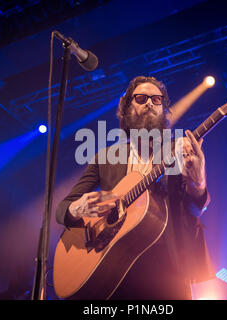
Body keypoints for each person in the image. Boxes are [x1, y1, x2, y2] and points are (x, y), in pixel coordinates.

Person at [55, 76, 215, 300]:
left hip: (168, 275)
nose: (150, 102)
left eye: (157, 99)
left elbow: (194, 211)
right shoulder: (106, 158)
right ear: (127, 108)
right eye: (141, 98)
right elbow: (62, 210)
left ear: (164, 109)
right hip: (111, 273)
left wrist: (197, 182)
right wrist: (76, 209)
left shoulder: (180, 150)